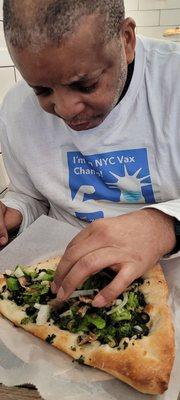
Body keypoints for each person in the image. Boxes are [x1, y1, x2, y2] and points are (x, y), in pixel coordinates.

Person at [0, 0, 179, 308]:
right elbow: (30, 196)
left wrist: (166, 225)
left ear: (126, 40)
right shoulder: (16, 111)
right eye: (41, 91)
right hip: (64, 288)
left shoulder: (172, 82)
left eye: (86, 84)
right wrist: (12, 212)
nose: (66, 110)